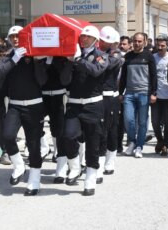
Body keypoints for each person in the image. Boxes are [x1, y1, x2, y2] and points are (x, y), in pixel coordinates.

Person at [0, 25, 47, 196]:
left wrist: (38, 60)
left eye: (19, 35)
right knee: (7, 135)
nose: (16, 39)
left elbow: (42, 80)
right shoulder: (8, 57)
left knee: (33, 144)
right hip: (15, 105)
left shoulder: (33, 55)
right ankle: (19, 165)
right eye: (12, 36)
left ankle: (34, 180)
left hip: (34, 104)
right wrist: (14, 59)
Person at [61, 25, 109, 196]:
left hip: (93, 105)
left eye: (87, 37)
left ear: (95, 39)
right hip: (74, 104)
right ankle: (74, 167)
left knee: (93, 143)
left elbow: (96, 71)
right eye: (82, 36)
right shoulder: (73, 55)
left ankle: (90, 176)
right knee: (68, 135)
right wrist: (69, 63)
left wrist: (79, 60)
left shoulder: (101, 56)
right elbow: (64, 81)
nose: (83, 39)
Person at [119, 32, 157, 158]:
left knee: (142, 122)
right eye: (135, 41)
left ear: (144, 42)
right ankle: (132, 142)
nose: (137, 43)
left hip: (144, 94)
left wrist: (153, 93)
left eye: (140, 41)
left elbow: (153, 76)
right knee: (128, 120)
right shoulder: (128, 57)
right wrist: (120, 92)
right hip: (129, 93)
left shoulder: (149, 56)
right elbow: (123, 76)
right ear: (132, 42)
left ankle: (139, 146)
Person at [98, 27, 123, 179]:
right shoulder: (99, 53)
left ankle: (110, 159)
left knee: (111, 129)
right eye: (101, 40)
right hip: (97, 96)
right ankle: (99, 158)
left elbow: (107, 64)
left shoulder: (116, 55)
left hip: (111, 97)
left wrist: (98, 58)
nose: (102, 43)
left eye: (105, 42)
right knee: (98, 130)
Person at [151, 35, 168, 156]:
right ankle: (159, 140)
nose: (160, 48)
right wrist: (151, 92)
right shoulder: (152, 58)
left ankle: (165, 144)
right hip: (156, 95)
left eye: (163, 46)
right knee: (155, 122)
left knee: (167, 122)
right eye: (158, 45)